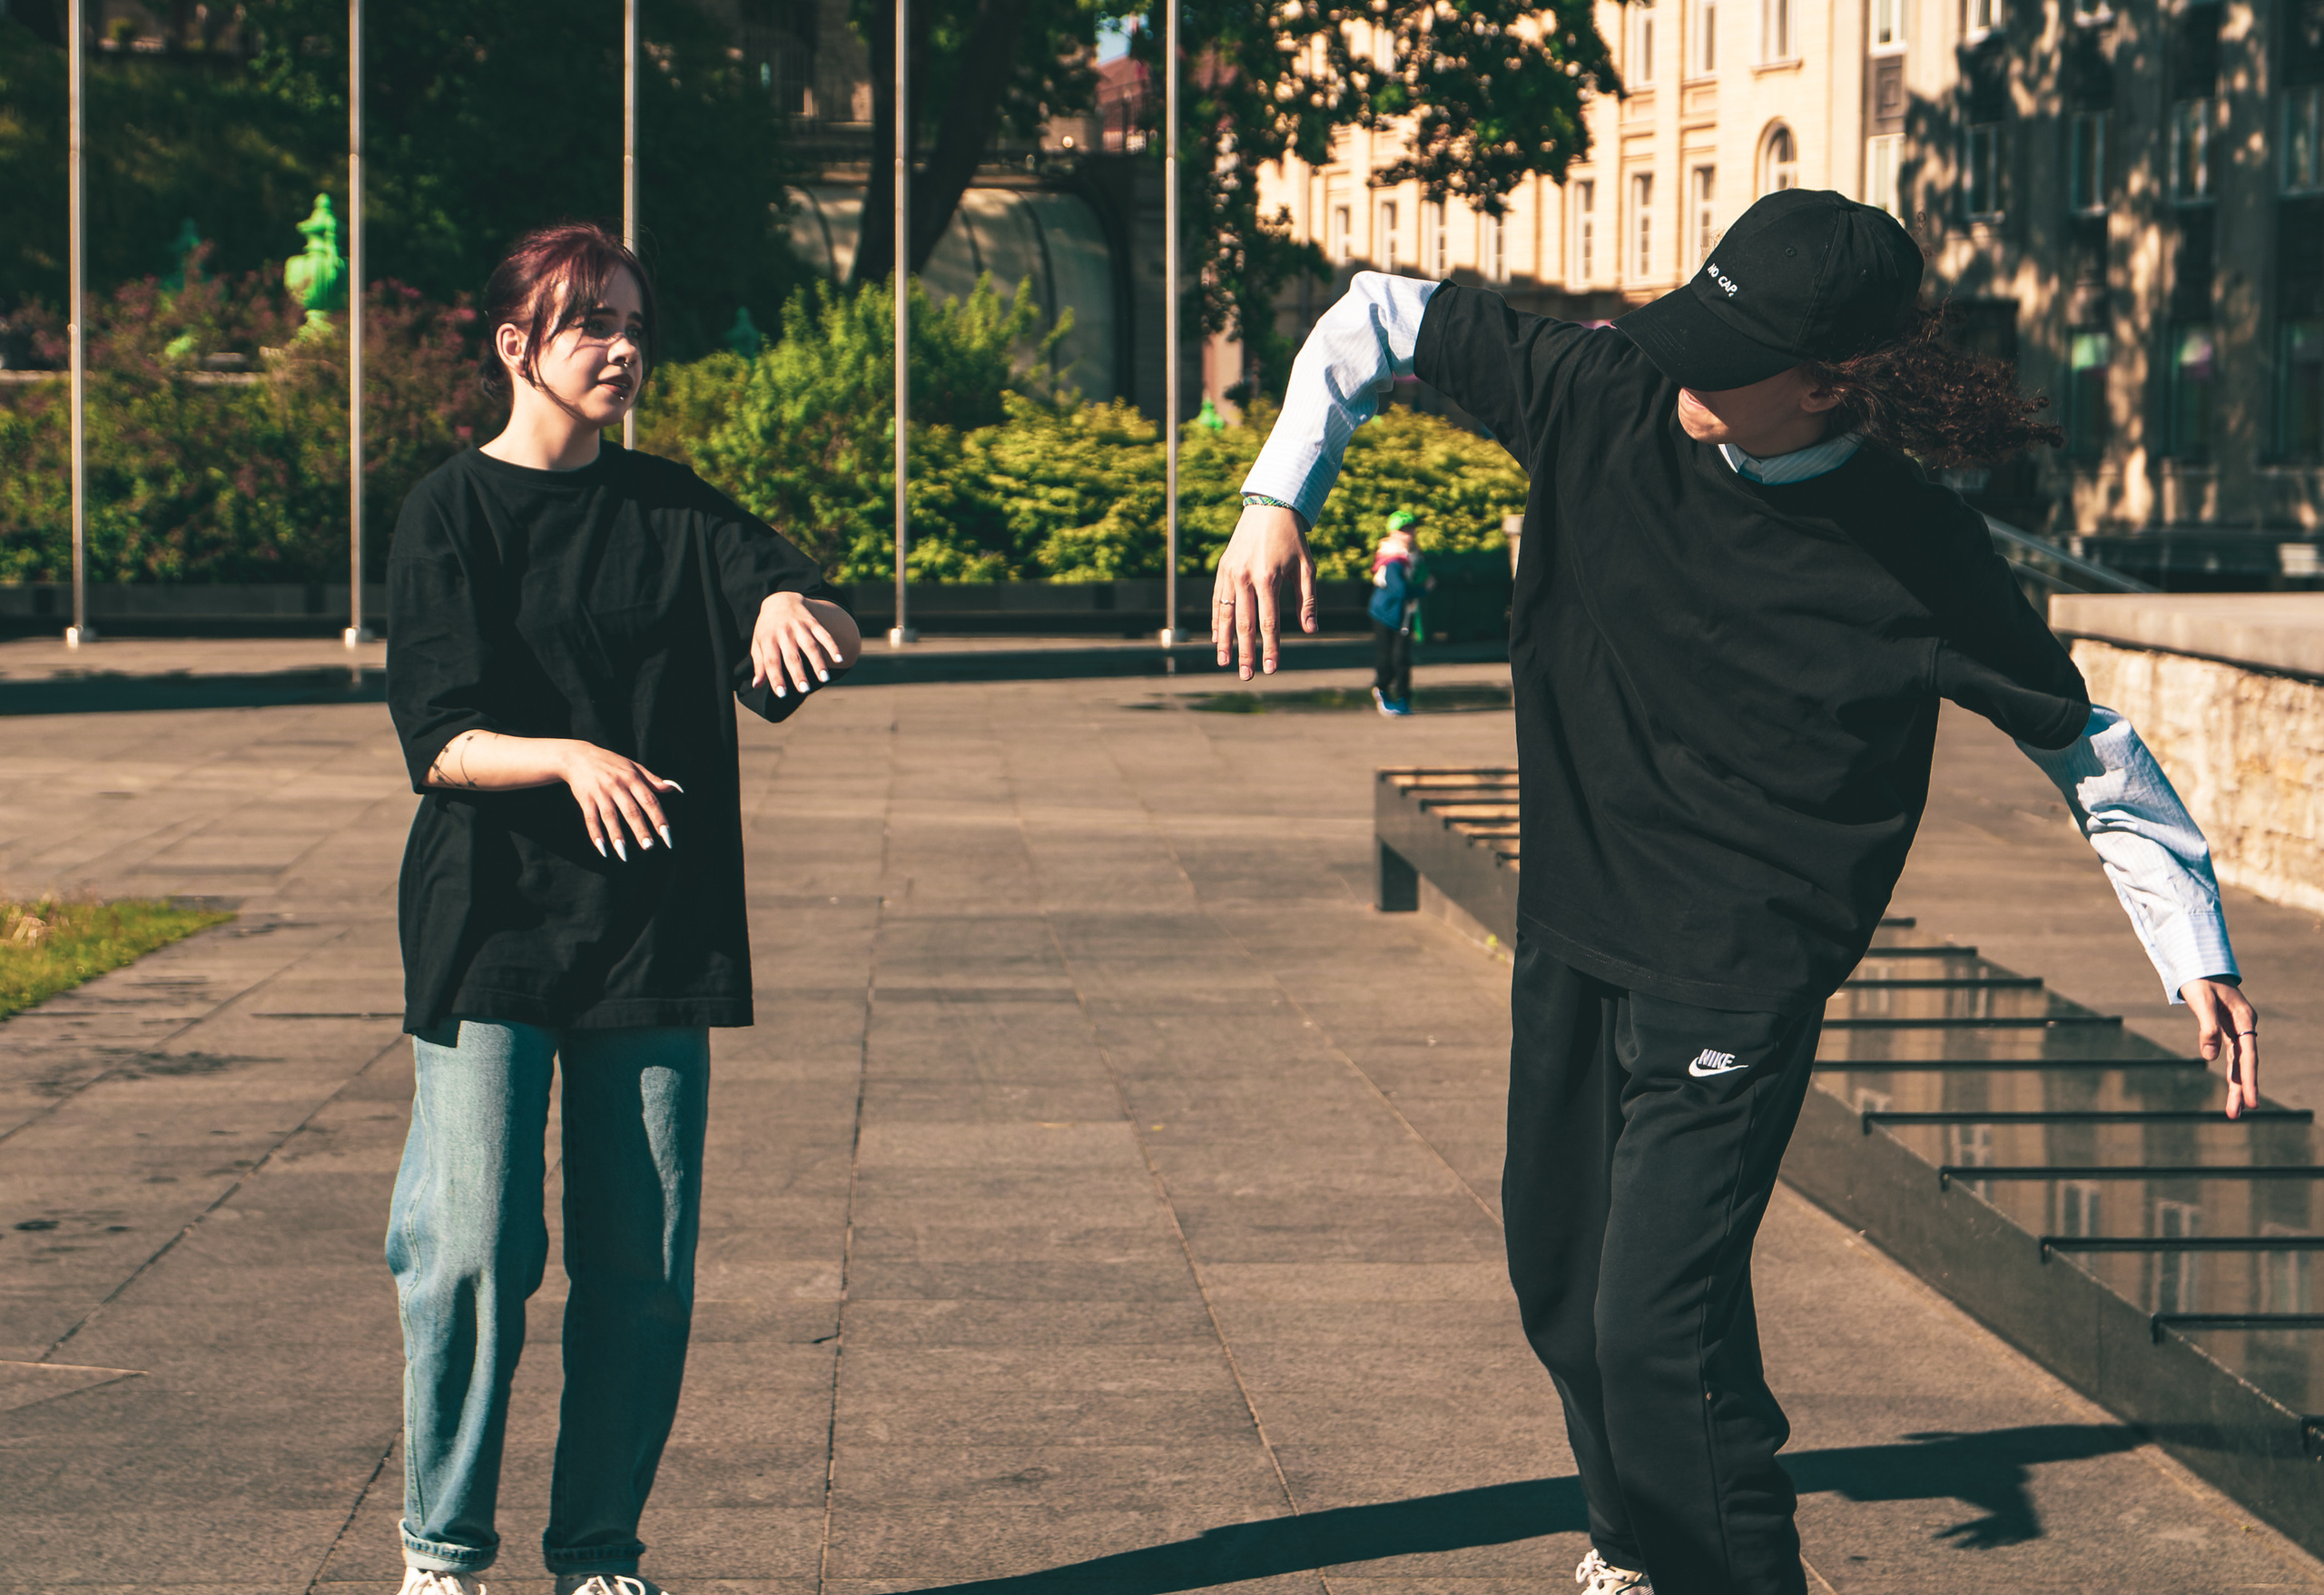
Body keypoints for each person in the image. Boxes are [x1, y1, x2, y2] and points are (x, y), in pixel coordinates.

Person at [1216, 189, 2260, 1595]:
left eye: (1730, 352)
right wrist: (1279, 498)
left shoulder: (1918, 548)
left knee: (1661, 1332)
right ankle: (1633, 1553)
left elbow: (2091, 749)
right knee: (1565, 1300)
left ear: (1837, 381)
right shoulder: (1603, 393)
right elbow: (1378, 314)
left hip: (1741, 975)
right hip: (1580, 928)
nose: (1686, 369)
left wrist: (2191, 943)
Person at [382, 222, 861, 1595]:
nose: (622, 345)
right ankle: (443, 1554)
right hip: (493, 926)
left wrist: (788, 606)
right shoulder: (449, 511)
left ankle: (596, 1555)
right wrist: (569, 756)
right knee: (471, 1251)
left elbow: (792, 597)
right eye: (589, 322)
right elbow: (440, 737)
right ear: (516, 346)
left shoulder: (676, 507)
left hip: (657, 932)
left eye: (633, 320)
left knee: (640, 1275)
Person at [1369, 509, 1425, 715]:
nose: (1408, 534)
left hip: (1403, 613)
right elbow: (1400, 589)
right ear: (1392, 533)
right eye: (1403, 530)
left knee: (1402, 658)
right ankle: (1382, 691)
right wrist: (1424, 589)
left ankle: (1403, 697)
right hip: (1386, 613)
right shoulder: (1392, 558)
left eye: (1411, 528)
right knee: (1388, 658)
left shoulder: (1414, 555)